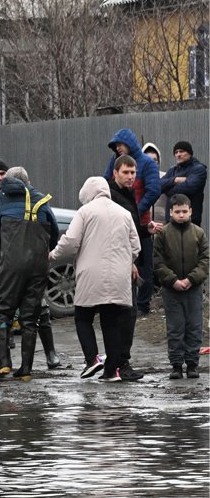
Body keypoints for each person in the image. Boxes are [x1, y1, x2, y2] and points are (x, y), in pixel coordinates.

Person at [49, 177, 140, 382]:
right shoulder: (124, 213)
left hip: (91, 274)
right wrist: (126, 260)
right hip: (118, 276)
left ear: (88, 193)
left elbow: (71, 242)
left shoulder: (85, 212)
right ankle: (111, 371)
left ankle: (92, 359)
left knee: (83, 316)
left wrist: (54, 254)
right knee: (111, 322)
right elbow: (136, 247)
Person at [0, 166, 59, 380]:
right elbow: (54, 233)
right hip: (38, 266)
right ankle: (26, 369)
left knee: (2, 311)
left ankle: (4, 362)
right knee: (30, 316)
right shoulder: (41, 201)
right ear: (28, 181)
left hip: (11, 265)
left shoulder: (3, 201)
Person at [102, 128, 160, 315]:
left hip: (140, 224)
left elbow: (153, 190)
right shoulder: (114, 162)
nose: (118, 148)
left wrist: (134, 212)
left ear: (130, 143)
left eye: (120, 144)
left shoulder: (146, 164)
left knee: (143, 266)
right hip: (115, 224)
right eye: (115, 145)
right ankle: (122, 304)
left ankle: (142, 306)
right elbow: (104, 185)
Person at [152, 194, 207, 379]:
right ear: (171, 212)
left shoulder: (198, 233)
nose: (181, 215)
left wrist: (191, 279)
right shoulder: (163, 234)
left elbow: (205, 260)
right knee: (175, 327)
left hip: (194, 288)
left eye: (184, 211)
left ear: (190, 211)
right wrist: (173, 280)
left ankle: (192, 364)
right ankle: (176, 364)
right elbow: (158, 262)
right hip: (171, 289)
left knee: (194, 326)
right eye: (177, 211)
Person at [107, 154, 147, 380]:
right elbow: (116, 234)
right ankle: (120, 364)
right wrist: (130, 261)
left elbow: (130, 229)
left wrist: (145, 229)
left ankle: (118, 363)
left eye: (133, 173)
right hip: (119, 263)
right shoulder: (112, 197)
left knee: (125, 315)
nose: (131, 177)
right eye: (126, 172)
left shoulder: (127, 194)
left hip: (126, 260)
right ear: (115, 173)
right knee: (124, 314)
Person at [160, 140, 206, 226]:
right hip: (171, 220)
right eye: (176, 152)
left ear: (189, 153)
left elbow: (188, 188)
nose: (178, 154)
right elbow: (159, 185)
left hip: (191, 221)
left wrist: (167, 190)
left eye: (181, 151)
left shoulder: (199, 169)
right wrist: (175, 180)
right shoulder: (172, 170)